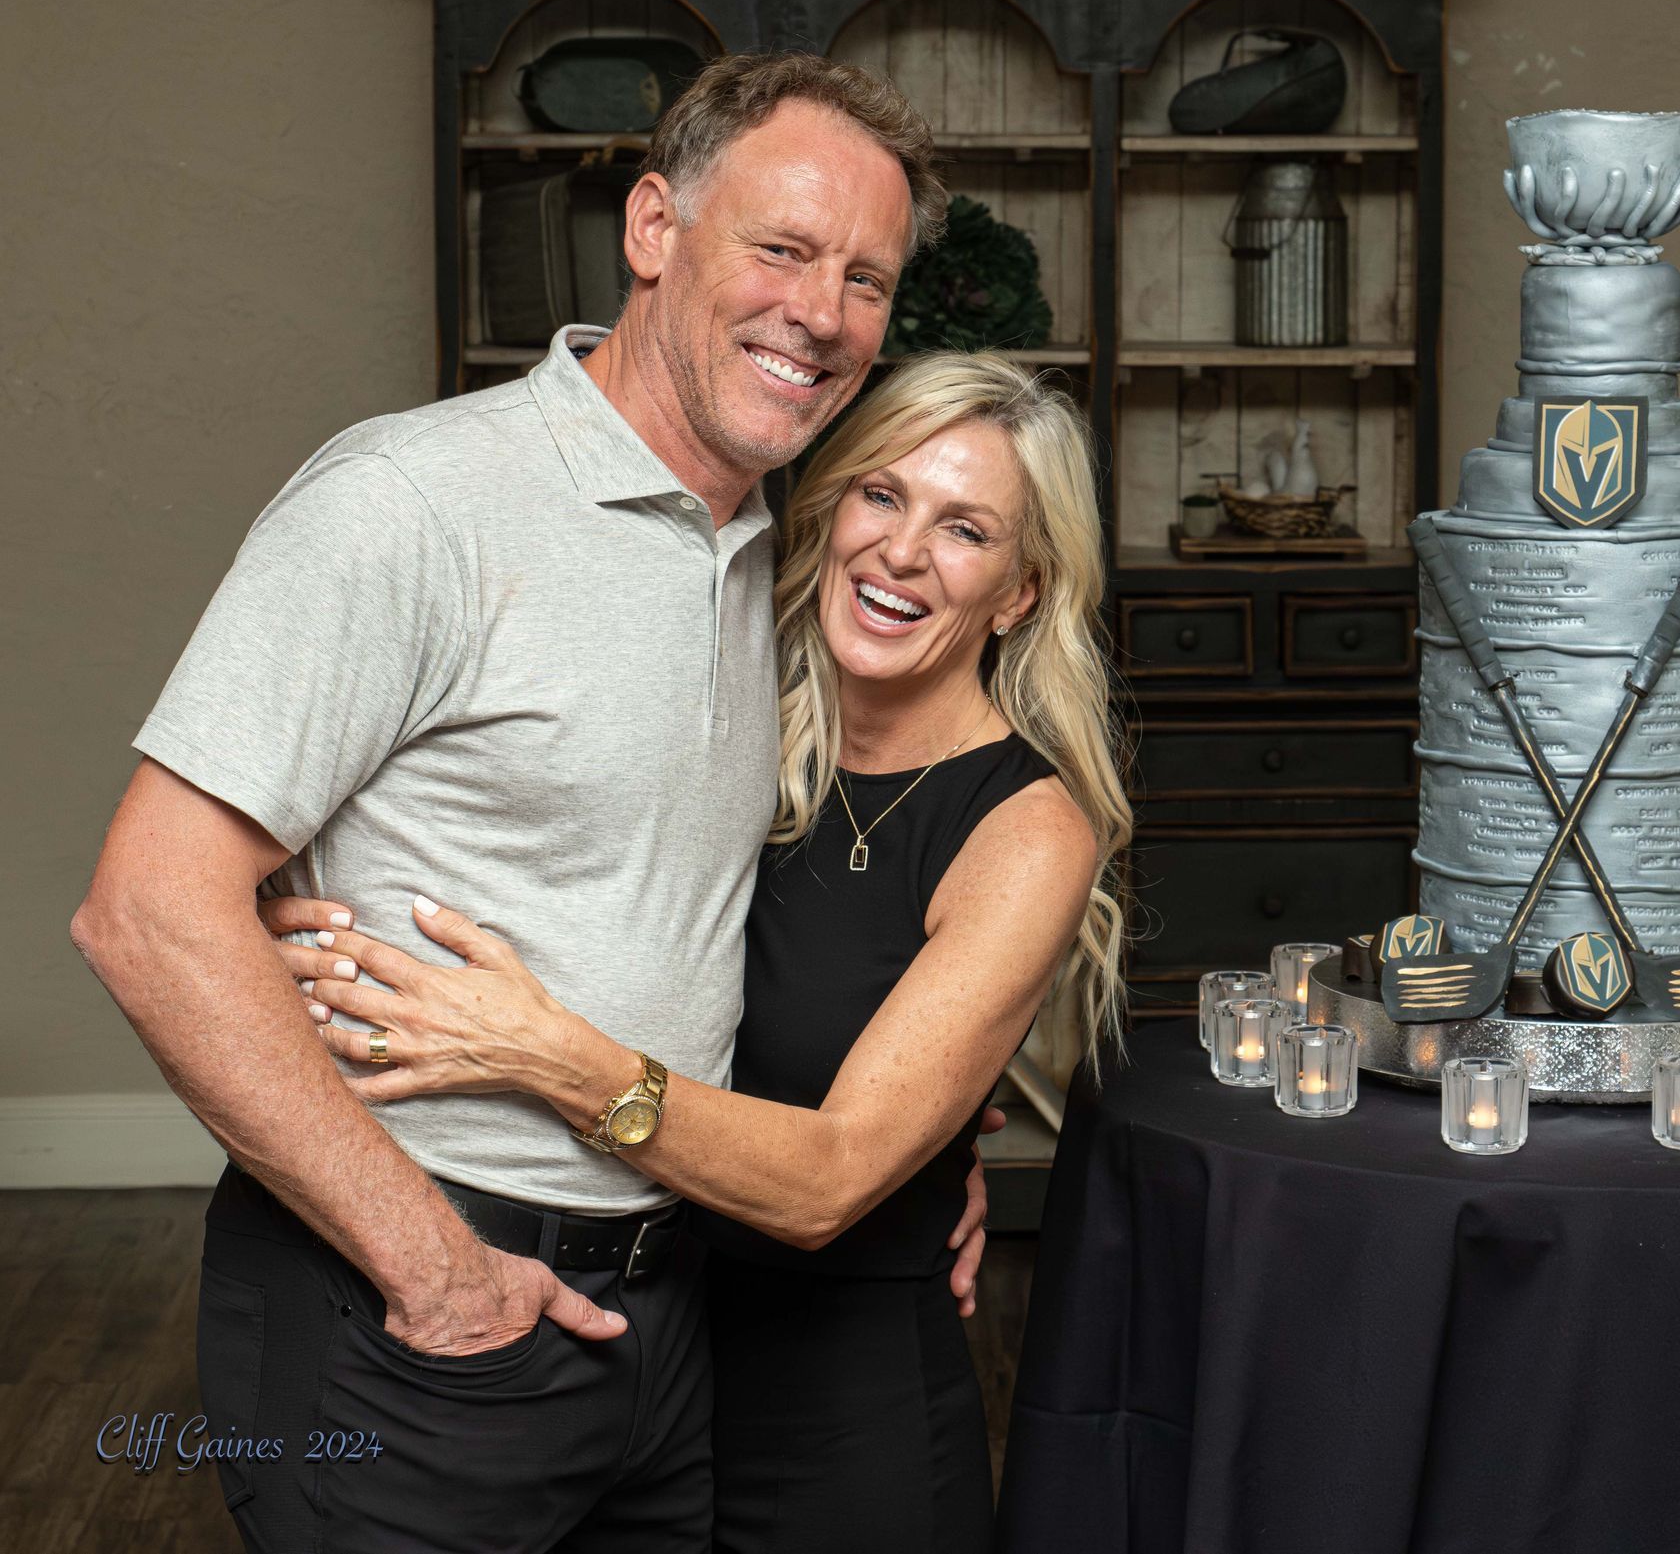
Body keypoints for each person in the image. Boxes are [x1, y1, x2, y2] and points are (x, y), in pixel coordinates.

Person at [68, 51, 972, 1552]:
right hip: (412, 1300)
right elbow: (147, 912)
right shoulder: (411, 503)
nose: (822, 312)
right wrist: (432, 1266)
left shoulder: (802, 557)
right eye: (783, 248)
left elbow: (808, 902)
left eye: (868, 279)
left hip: (678, 1312)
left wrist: (916, 1160)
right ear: (653, 228)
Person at [267, 350, 1130, 1552]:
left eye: (965, 529)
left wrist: (542, 1052)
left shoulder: (1025, 831)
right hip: (640, 1357)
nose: (901, 552)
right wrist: (294, 910)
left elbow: (831, 1180)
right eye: (882, 496)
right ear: (830, 511)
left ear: (1021, 591)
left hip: (840, 1412)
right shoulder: (743, 706)